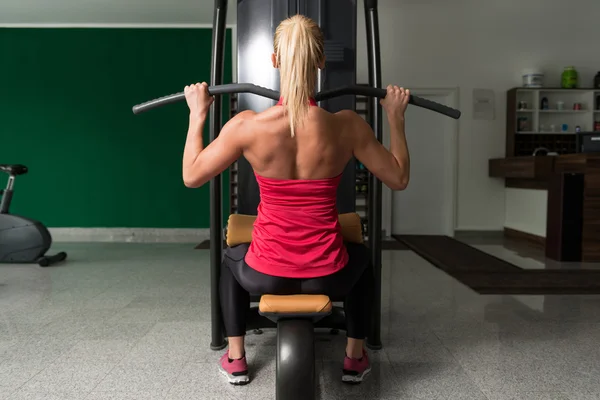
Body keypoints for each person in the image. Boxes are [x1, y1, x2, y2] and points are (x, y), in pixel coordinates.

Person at [181, 14, 410, 386]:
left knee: (229, 259)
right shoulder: (348, 125)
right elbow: (398, 177)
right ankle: (354, 356)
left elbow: (192, 175)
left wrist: (197, 115)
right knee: (362, 258)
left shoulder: (247, 126)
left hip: (264, 273)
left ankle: (236, 357)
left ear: (275, 60)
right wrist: (396, 119)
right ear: (321, 61)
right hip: (330, 274)